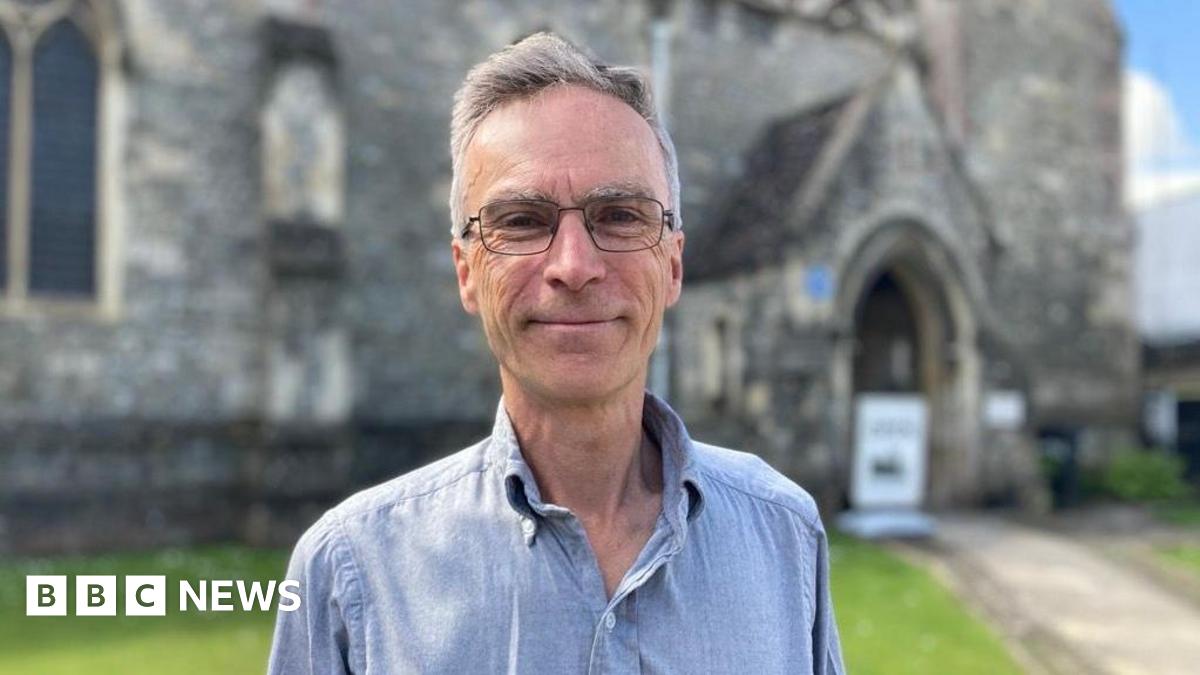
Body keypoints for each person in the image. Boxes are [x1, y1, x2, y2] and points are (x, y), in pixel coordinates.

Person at [268, 32, 844, 675]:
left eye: (621, 215)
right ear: (466, 272)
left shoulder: (784, 532)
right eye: (521, 221)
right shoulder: (350, 571)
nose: (574, 266)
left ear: (674, 265)